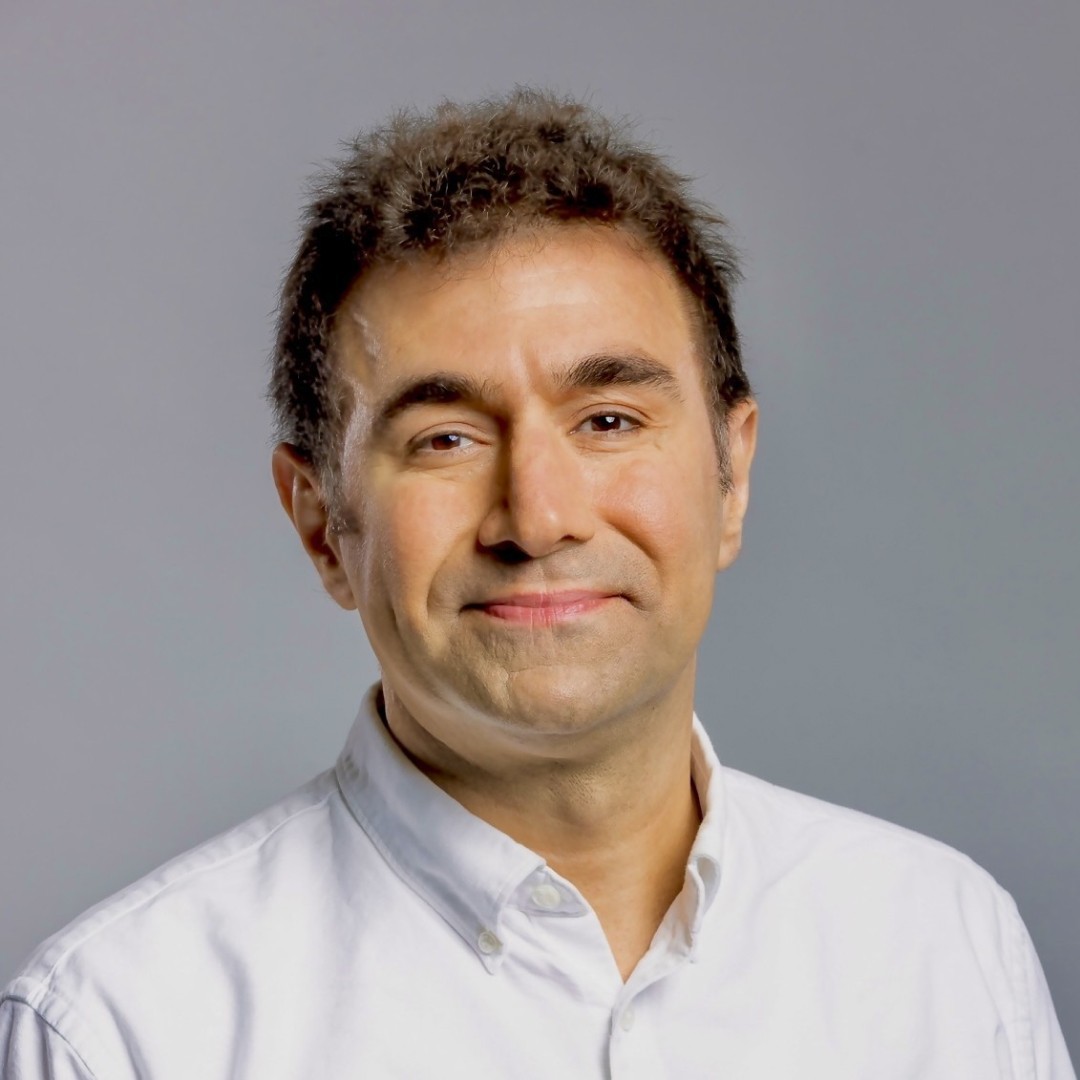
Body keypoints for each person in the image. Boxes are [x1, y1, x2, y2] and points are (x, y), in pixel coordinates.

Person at [0, 89, 1073, 1079]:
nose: (539, 515)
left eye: (608, 420)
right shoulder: (123, 1028)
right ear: (323, 525)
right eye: (446, 438)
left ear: (731, 475)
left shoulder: (941, 946)